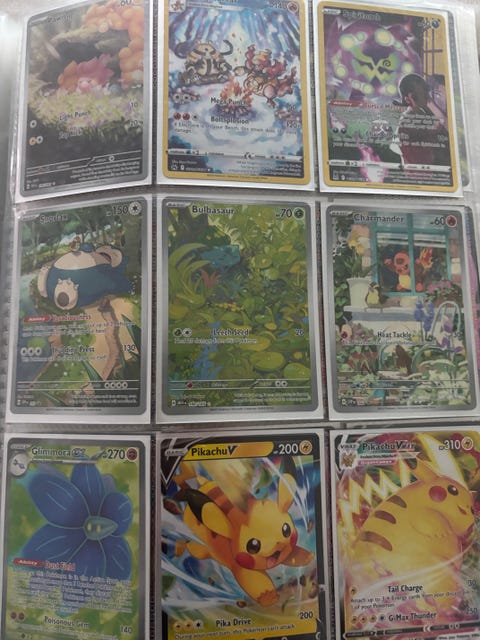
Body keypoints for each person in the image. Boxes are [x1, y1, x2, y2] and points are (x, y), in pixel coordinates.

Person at [395, 73, 450, 166]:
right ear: (409, 98)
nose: (427, 96)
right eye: (423, 92)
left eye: (426, 90)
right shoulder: (408, 120)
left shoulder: (421, 113)